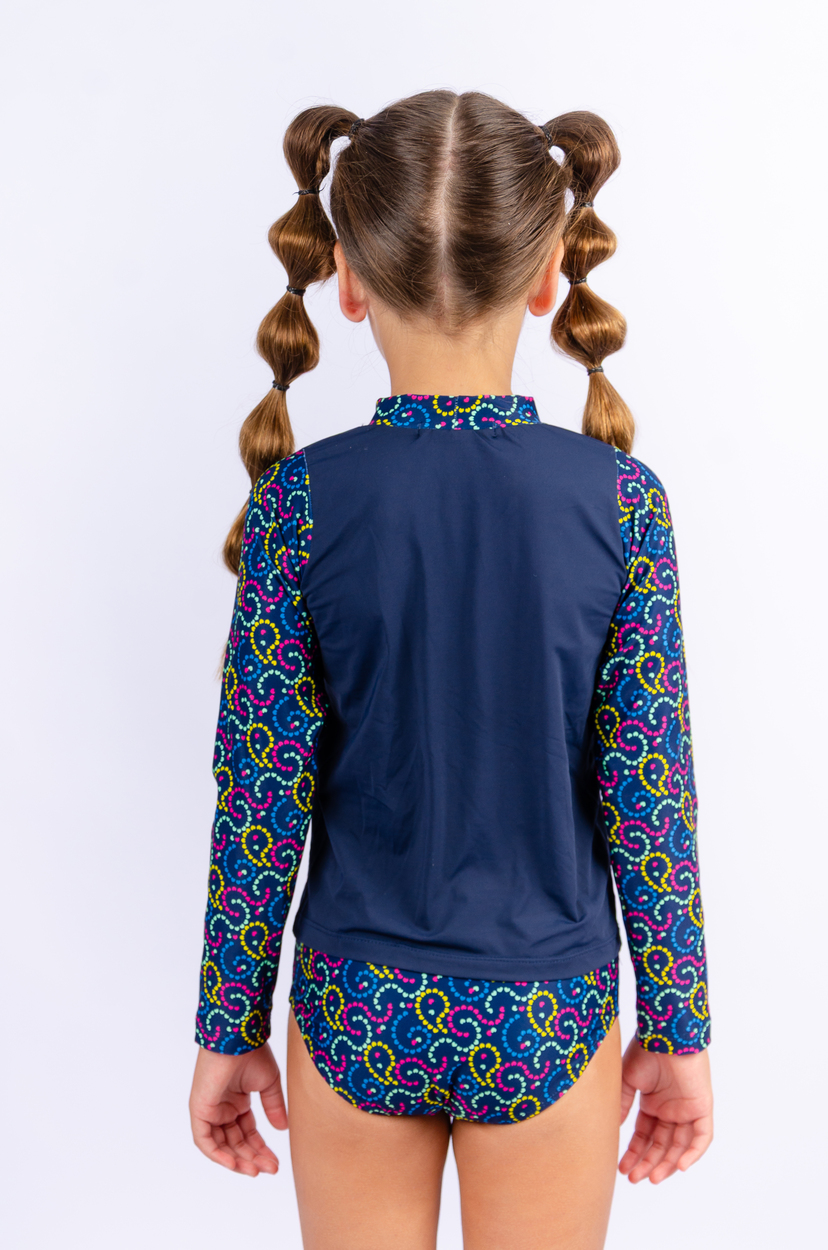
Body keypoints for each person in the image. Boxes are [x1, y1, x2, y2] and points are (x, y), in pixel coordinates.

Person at [188, 91, 713, 1250]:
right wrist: (678, 1023)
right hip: (549, 1009)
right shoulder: (623, 503)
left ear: (348, 278)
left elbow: (262, 790)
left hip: (356, 1004)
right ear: (548, 274)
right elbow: (648, 787)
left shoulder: (298, 503)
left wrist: (229, 1022)